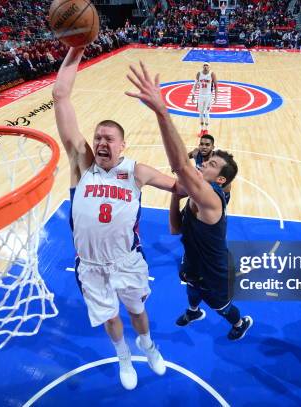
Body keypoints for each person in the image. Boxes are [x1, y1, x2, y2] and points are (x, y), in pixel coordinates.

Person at [53, 47, 178, 390]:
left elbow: (180, 186)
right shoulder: (82, 166)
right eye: (97, 138)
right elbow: (60, 96)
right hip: (90, 264)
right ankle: (124, 355)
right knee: (110, 317)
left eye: (109, 138)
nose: (101, 142)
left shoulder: (135, 171)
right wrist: (76, 49)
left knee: (137, 313)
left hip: (128, 260)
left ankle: (147, 345)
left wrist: (205, 196)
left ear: (123, 145)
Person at [125, 61, 252, 341]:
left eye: (213, 163)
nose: (206, 162)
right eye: (208, 158)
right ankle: (193, 311)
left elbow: (181, 166)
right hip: (193, 260)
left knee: (221, 305)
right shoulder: (195, 196)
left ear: (220, 179)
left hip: (214, 268)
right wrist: (175, 194)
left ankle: (240, 322)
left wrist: (162, 112)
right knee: (191, 288)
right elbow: (175, 229)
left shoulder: (212, 199)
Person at [188, 134, 231, 203]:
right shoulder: (196, 153)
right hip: (201, 188)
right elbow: (186, 156)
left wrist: (223, 199)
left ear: (212, 147)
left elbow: (227, 184)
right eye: (201, 144)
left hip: (215, 192)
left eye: (207, 145)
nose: (204, 147)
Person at [191, 62, 217, 137]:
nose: (205, 67)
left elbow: (216, 86)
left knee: (207, 113)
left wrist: (216, 96)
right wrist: (193, 94)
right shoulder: (199, 74)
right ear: (202, 67)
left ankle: (207, 130)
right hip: (200, 96)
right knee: (201, 113)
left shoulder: (212, 74)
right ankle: (202, 129)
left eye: (207, 65)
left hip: (208, 96)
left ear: (209, 67)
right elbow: (195, 85)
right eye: (204, 65)